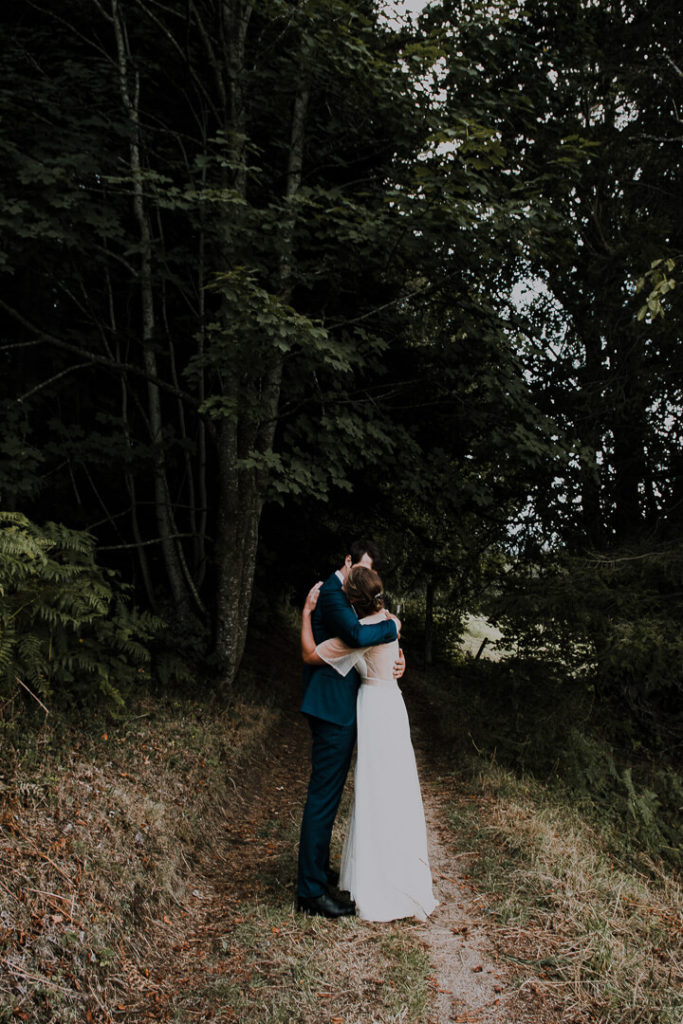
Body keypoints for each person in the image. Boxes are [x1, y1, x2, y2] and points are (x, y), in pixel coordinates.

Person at [301, 565, 438, 923]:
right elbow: (393, 629)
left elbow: (310, 655)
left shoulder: (357, 634)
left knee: (374, 792)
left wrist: (305, 615)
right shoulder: (389, 622)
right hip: (393, 708)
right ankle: (397, 875)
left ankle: (376, 882)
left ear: (352, 602)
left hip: (375, 712)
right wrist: (396, 638)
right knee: (396, 792)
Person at [297, 540, 403, 919]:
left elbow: (366, 646)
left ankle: (317, 871)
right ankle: (309, 892)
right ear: (348, 562)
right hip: (330, 708)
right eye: (362, 569)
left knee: (329, 795)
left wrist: (396, 658)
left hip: (342, 706)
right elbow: (358, 637)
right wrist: (393, 626)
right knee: (323, 797)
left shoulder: (347, 593)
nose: (364, 578)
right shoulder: (333, 593)